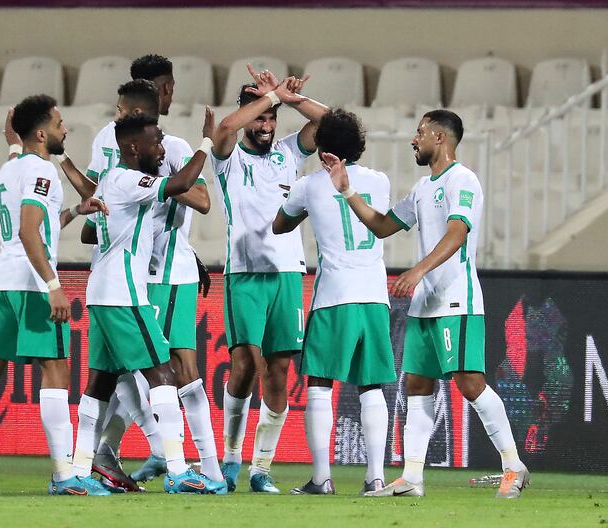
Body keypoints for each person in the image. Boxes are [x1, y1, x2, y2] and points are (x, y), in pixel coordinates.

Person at [330, 109, 529, 499]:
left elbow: (458, 231)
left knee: (470, 384)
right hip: (425, 305)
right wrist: (347, 191)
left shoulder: (463, 180)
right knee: (418, 386)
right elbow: (384, 225)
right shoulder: (423, 188)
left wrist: (419, 270)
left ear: (440, 138)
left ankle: (513, 465)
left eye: (419, 133)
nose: (413, 139)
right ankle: (412, 478)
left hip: (457, 299)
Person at [0, 94, 108, 496]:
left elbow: (38, 224)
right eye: (59, 122)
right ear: (40, 132)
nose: (64, 129)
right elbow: (29, 232)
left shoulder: (10, 169)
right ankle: (64, 476)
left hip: (1, 281)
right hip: (32, 284)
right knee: (55, 373)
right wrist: (54, 287)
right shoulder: (39, 171)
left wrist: (74, 212)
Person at [62, 59, 216, 490]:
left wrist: (64, 162)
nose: (162, 151)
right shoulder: (130, 180)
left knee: (101, 383)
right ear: (134, 148)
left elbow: (95, 224)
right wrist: (207, 140)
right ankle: (180, 471)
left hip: (103, 290)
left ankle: (78, 474)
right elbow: (183, 182)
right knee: (162, 374)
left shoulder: (113, 179)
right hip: (127, 294)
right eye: (155, 145)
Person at [210, 66, 328, 493]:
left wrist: (291, 100)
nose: (265, 124)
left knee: (278, 372)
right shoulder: (227, 158)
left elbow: (329, 124)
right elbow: (225, 127)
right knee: (244, 366)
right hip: (244, 273)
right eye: (259, 116)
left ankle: (261, 468)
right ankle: (228, 458)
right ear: (248, 114)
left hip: (287, 276)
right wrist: (270, 97)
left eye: (270, 118)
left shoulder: (288, 153)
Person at [272, 109, 397, 495]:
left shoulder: (309, 185)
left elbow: (279, 225)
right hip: (375, 297)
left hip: (334, 297)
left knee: (320, 385)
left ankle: (322, 478)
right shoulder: (380, 181)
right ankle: (375, 477)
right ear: (358, 145)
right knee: (371, 386)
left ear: (322, 147)